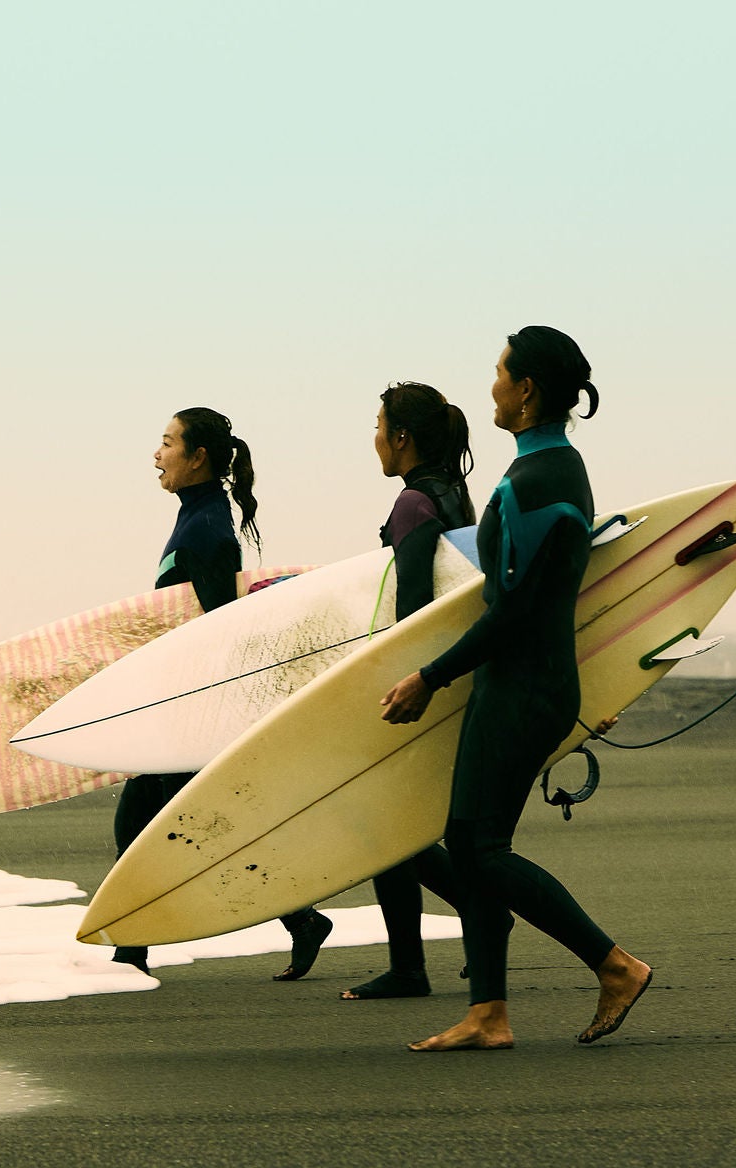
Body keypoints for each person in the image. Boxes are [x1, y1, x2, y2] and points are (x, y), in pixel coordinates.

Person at [380, 328, 652, 1050]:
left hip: (525, 687)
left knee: (479, 849)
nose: (492, 388)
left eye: (500, 374)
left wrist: (429, 676)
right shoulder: (552, 470)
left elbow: (517, 612)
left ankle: (614, 964)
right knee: (470, 841)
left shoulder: (539, 483)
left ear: (526, 390)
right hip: (523, 682)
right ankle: (488, 1012)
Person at [111, 409, 334, 977]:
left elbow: (218, 625)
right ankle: (132, 948)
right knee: (155, 821)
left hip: (194, 707)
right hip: (177, 701)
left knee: (184, 825)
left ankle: (133, 948)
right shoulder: (197, 518)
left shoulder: (207, 528)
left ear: (198, 456)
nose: (156, 456)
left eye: (166, 444)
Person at [331, 382, 477, 999]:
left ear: (401, 437)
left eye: (378, 427)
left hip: (420, 677)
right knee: (400, 825)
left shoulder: (414, 504)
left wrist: (403, 680)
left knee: (385, 825)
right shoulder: (454, 496)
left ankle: (426, 954)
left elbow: (413, 606)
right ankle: (460, 927)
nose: (374, 440)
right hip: (451, 671)